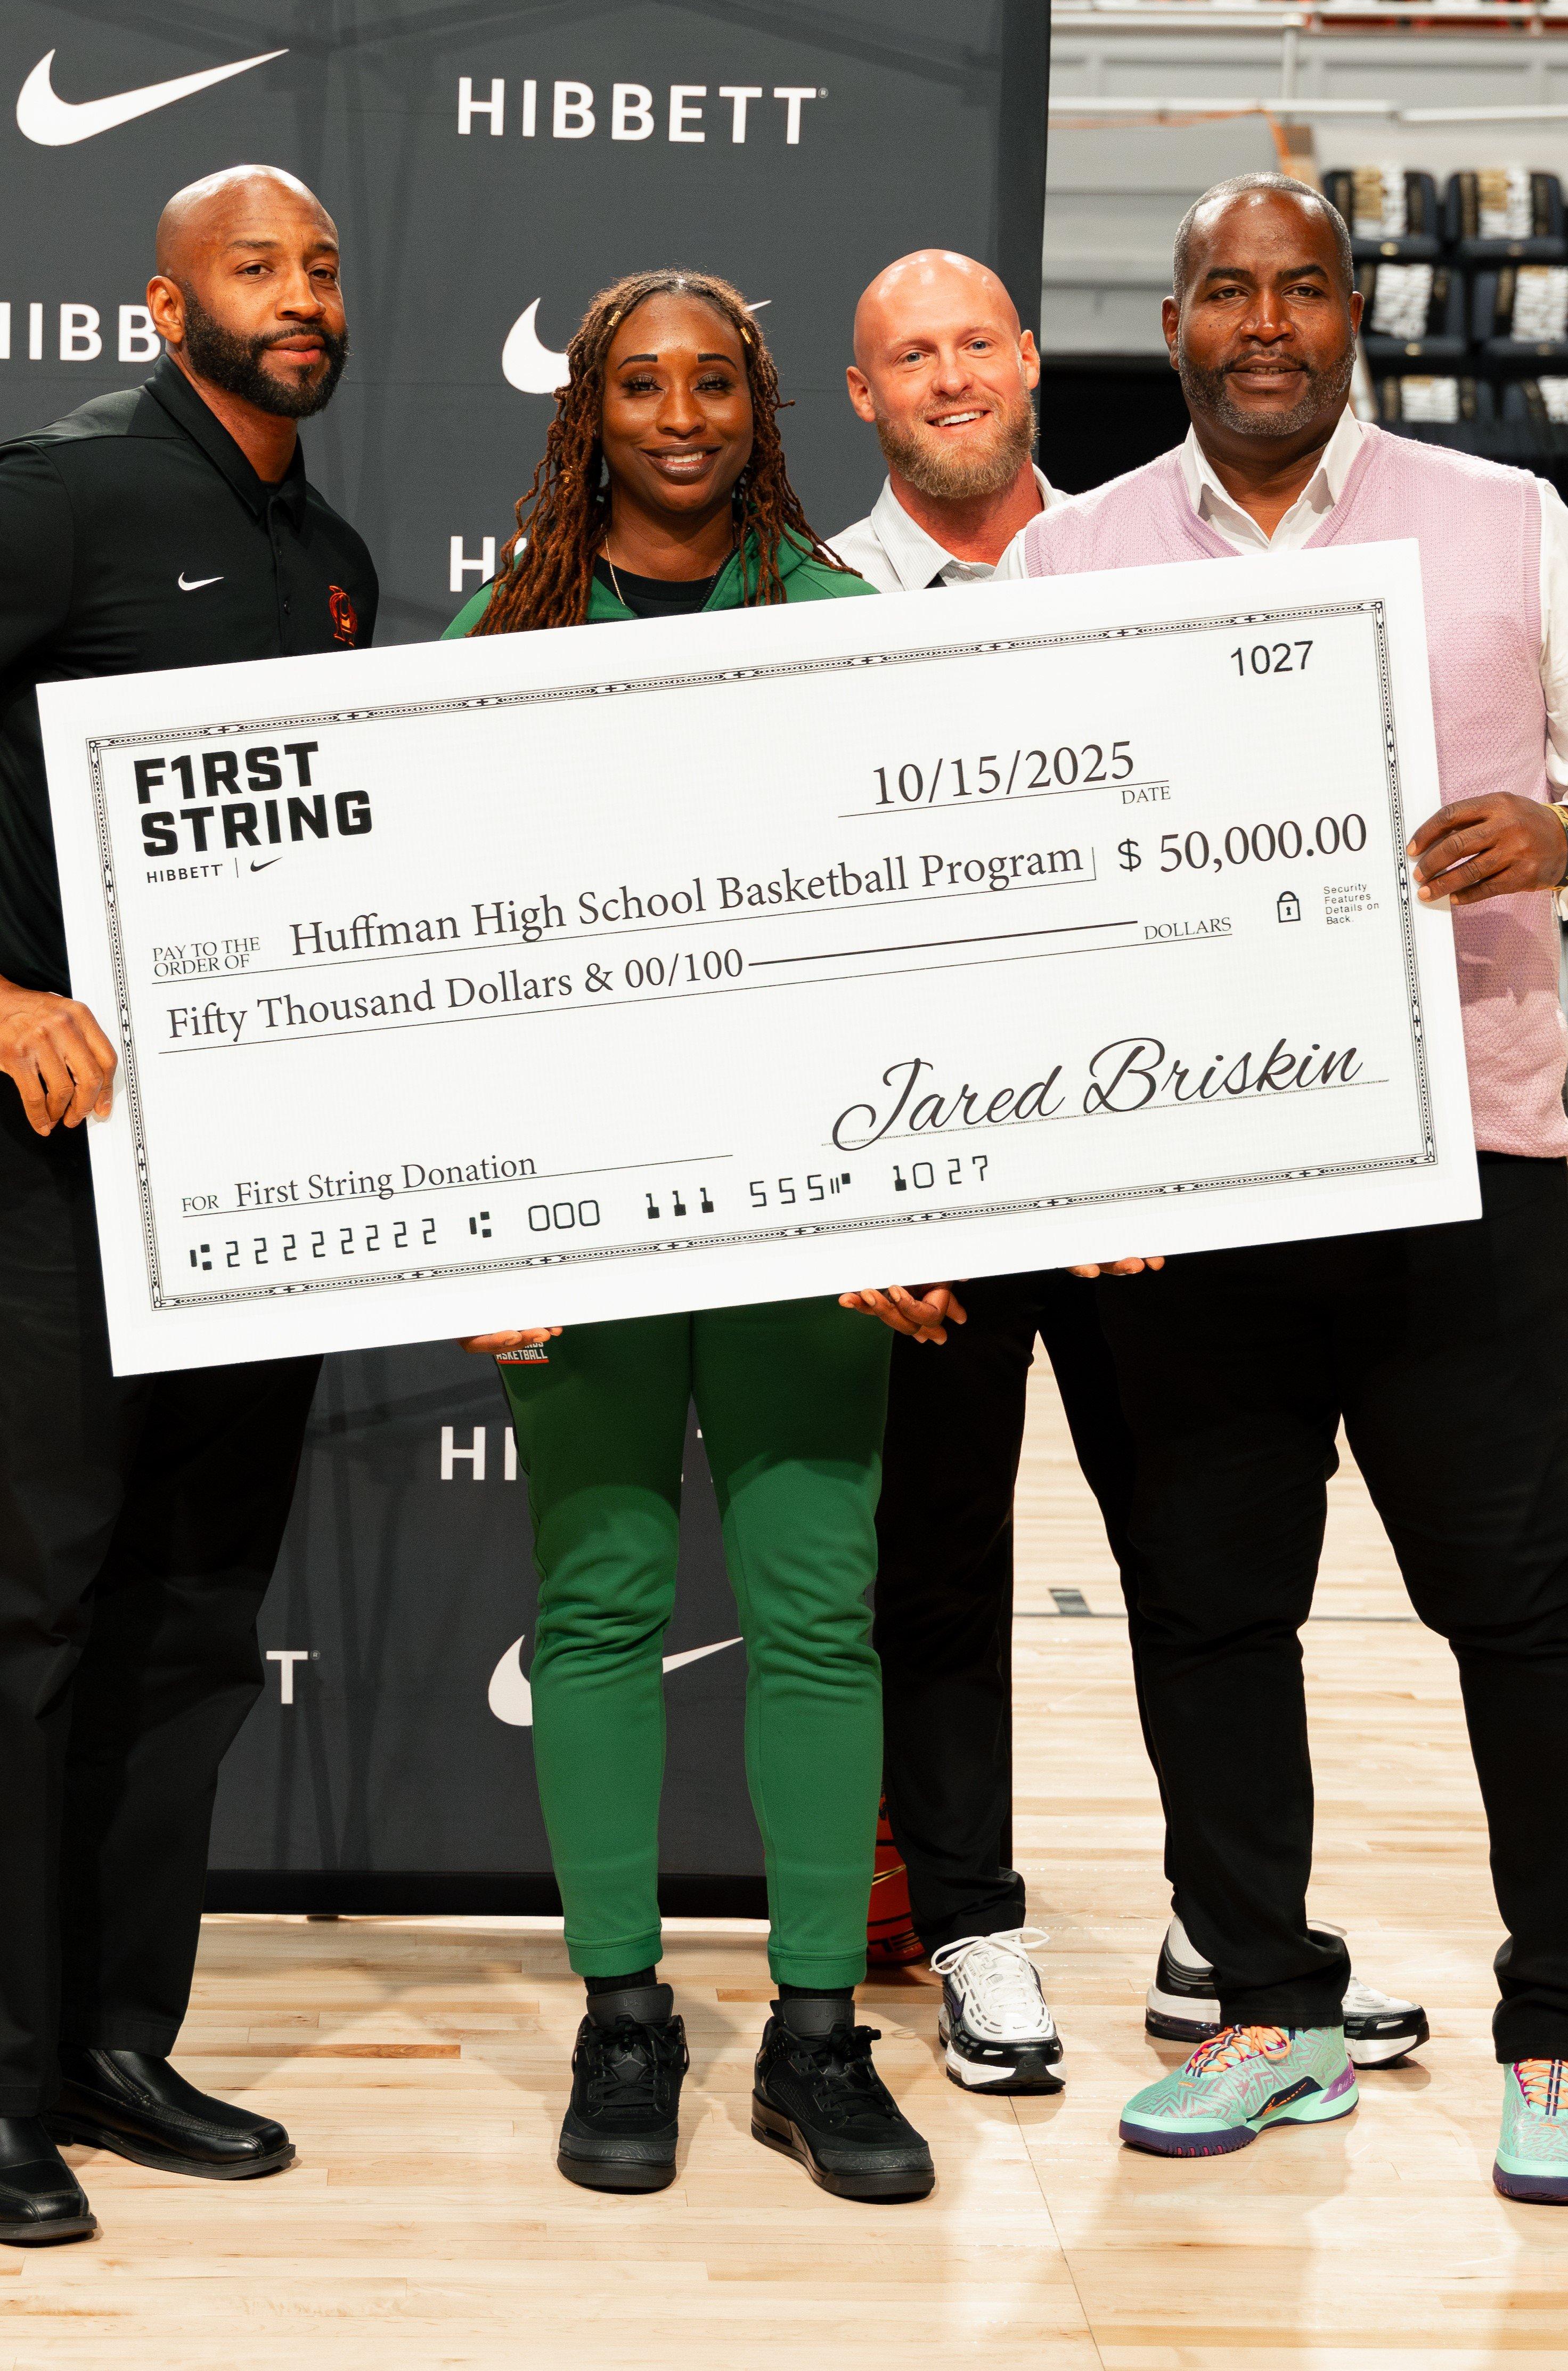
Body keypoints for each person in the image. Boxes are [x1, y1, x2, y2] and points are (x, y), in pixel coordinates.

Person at [1004, 173, 1568, 2198]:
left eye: (1301, 289)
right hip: (1197, 1189)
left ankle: (1566, 2035)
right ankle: (1270, 2005)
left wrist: (1566, 833)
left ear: (1352, 311)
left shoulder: (1504, 518)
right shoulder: (1072, 555)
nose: (1264, 323)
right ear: (1174, 316)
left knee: (1522, 1603)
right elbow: (1025, 888)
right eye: (1227, 289)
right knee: (1214, 1613)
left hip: (1460, 1169)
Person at [834, 250, 1428, 2099]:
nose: (950, 379)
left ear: (1032, 363)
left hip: (1142, 1182)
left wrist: (1178, 1136)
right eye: (907, 358)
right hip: (925, 1170)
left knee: (1203, 1561)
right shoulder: (811, 599)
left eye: (976, 347)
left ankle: (1236, 1939)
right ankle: (976, 1930)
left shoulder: (1152, 555)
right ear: (864, 397)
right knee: (933, 1569)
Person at [446, 268, 935, 2205]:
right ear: (589, 413)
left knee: (815, 1609)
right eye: (639, 384)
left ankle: (818, 2034)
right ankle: (626, 2009)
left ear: (761, 409)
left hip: (807, 1211)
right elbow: (441, 972)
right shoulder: (502, 637)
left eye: (710, 383)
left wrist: (925, 1194)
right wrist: (475, 1225)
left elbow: (925, 937)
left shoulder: (852, 630)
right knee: (601, 1607)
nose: (677, 414)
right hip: (580, 1214)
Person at [0, 167, 374, 2246]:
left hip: (247, 1175)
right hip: (47, 1161)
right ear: (165, 303)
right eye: (258, 268)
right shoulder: (56, 495)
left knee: (185, 1627)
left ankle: (112, 2044)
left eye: (320, 265)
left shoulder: (330, 551)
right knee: (30, 1619)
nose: (301, 295)